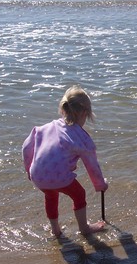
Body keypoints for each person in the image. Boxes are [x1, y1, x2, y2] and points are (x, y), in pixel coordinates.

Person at [22, 85, 108, 237]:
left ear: (64, 109)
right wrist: (100, 185)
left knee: (50, 196)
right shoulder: (82, 139)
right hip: (59, 176)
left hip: (38, 175)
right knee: (79, 194)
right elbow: (92, 166)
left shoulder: (45, 128)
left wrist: (29, 169)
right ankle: (84, 228)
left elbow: (26, 147)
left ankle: (55, 230)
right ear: (84, 113)